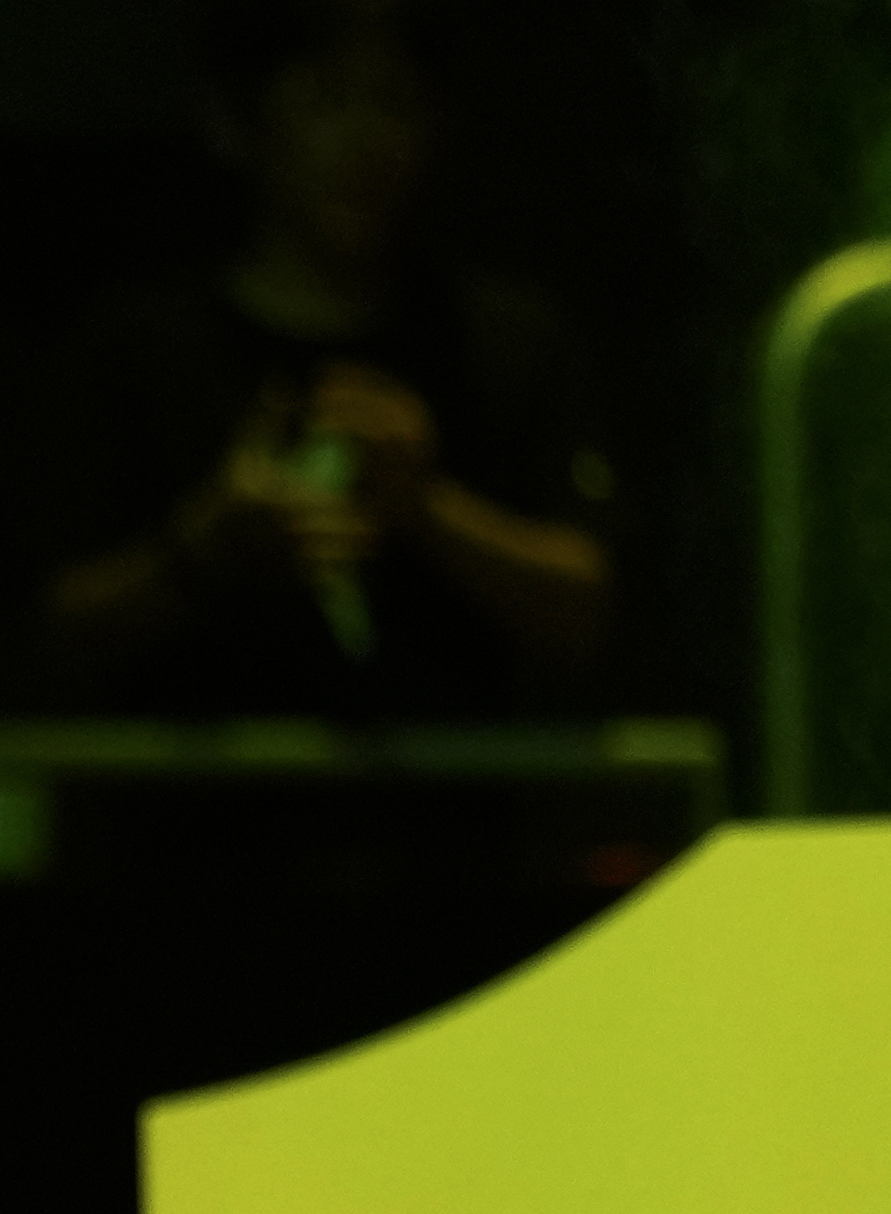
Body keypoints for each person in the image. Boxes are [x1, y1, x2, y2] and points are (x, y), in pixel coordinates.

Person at [39, 0, 615, 716]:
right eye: (325, 100)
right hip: (198, 817)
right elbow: (49, 633)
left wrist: (425, 507)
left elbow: (584, 614)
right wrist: (207, 545)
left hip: (445, 816)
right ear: (233, 123)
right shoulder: (139, 349)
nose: (368, 140)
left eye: (397, 102)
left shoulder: (505, 342)